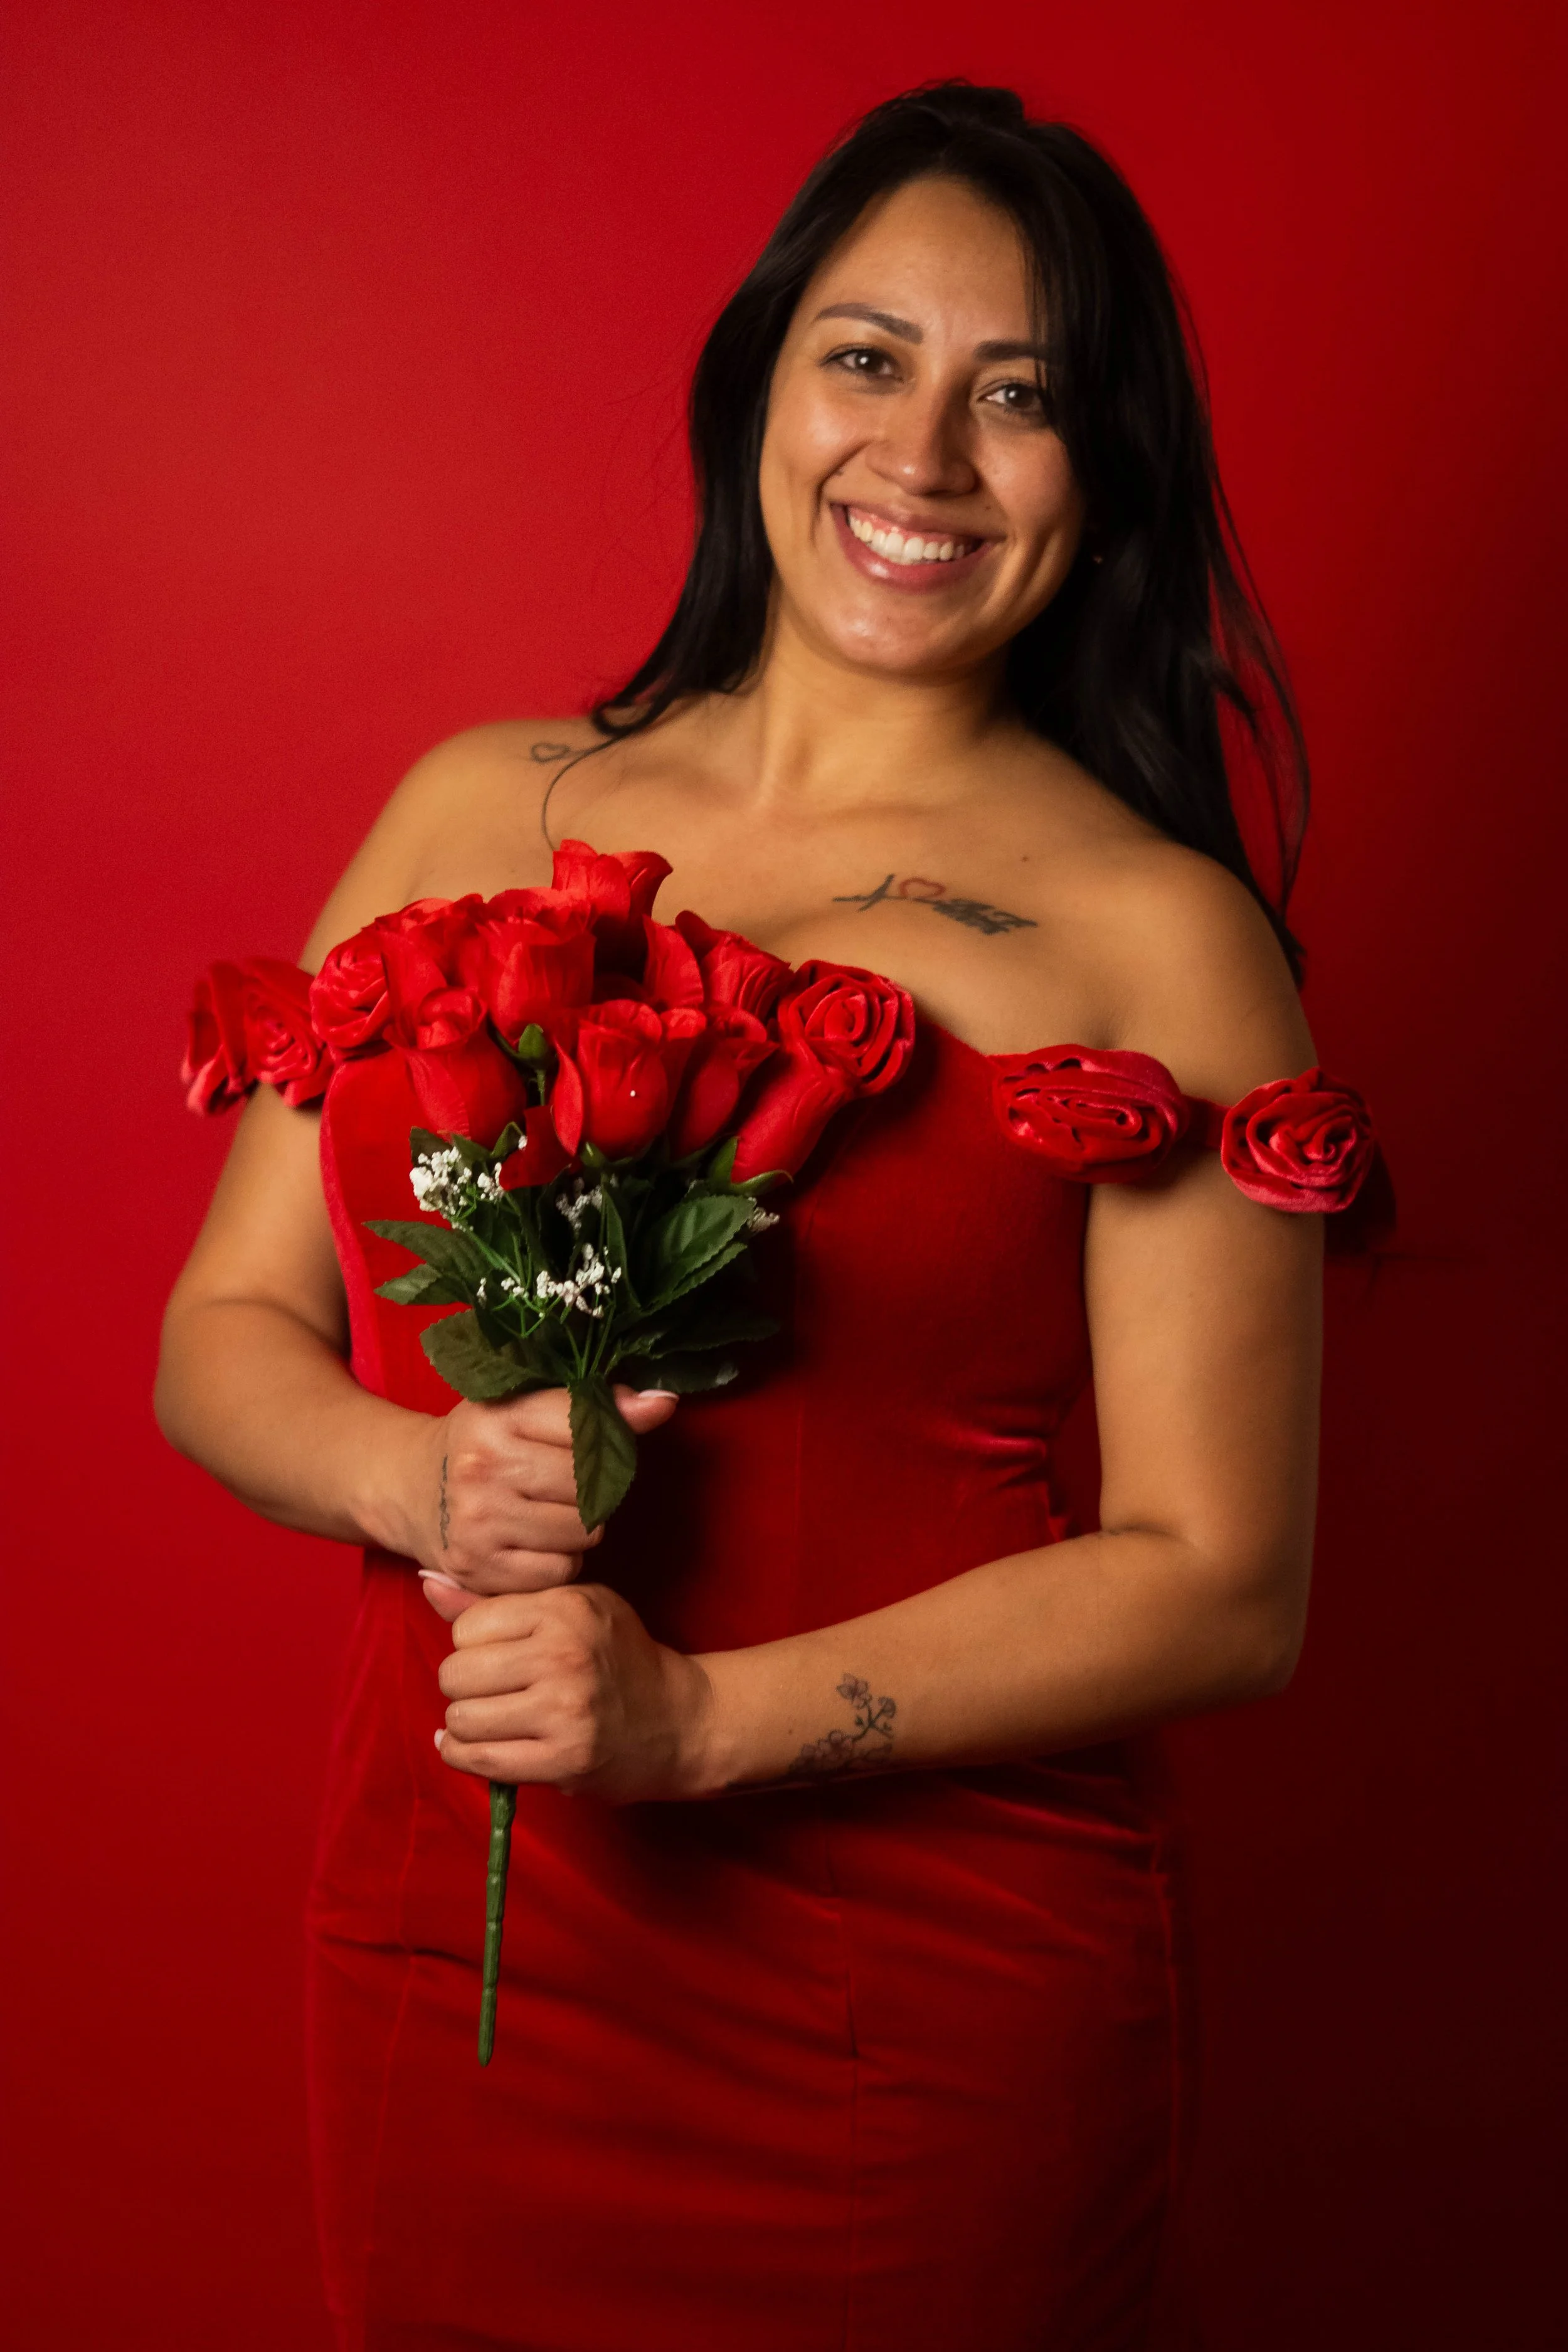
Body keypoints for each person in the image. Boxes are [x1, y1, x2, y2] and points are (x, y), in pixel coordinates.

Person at [156, 81, 1377, 2352]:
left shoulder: (1159, 935)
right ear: (757, 385)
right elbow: (224, 1325)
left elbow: (1228, 1587)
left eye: (1016, 396)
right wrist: (415, 1468)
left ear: (1097, 477)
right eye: (867, 355)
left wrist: (702, 1721)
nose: (919, 454)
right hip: (464, 1935)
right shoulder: (477, 802)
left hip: (906, 2009)